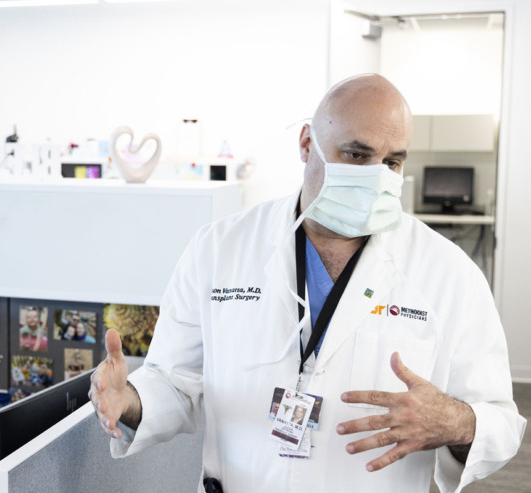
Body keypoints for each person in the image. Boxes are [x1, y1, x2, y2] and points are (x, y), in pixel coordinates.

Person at [89, 74, 526, 492]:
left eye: (392, 161)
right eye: (357, 155)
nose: (376, 177)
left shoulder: (448, 273)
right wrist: (127, 399)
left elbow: (502, 423)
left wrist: (454, 421)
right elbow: (174, 379)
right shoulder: (219, 249)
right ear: (305, 144)